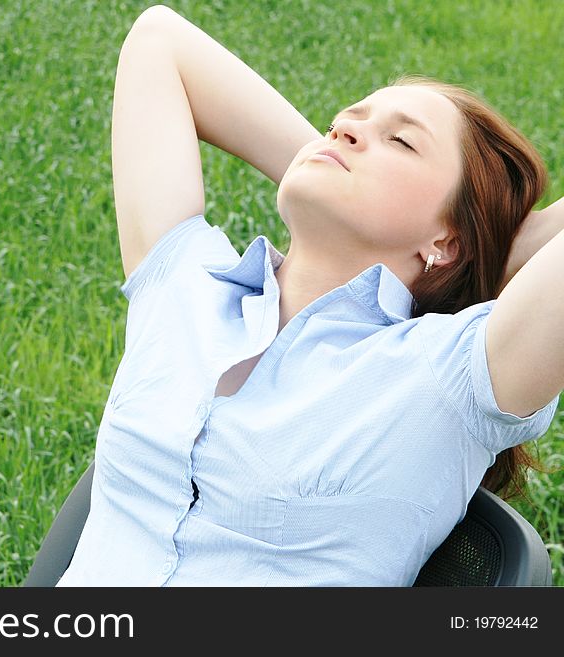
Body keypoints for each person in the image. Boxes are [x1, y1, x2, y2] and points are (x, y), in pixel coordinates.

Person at [55, 5, 564, 586]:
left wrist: (494, 242)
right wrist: (334, 169)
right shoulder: (185, 284)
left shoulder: (453, 376)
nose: (345, 126)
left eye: (400, 141)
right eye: (344, 122)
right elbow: (159, 41)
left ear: (446, 241)